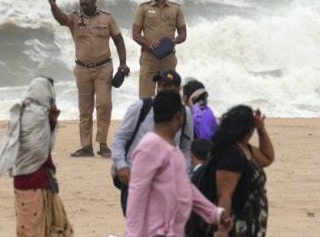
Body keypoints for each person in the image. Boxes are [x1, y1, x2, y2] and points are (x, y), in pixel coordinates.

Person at [124, 91, 231, 237]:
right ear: (178, 116)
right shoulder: (150, 146)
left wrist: (214, 213)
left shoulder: (173, 149)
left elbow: (185, 187)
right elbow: (137, 194)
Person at [48, 0, 130, 158]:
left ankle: (103, 144)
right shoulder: (74, 18)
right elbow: (61, 19)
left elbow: (118, 40)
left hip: (103, 68)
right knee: (85, 109)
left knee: (104, 105)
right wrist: (54, 6)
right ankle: (86, 147)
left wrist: (123, 63)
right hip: (82, 69)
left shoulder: (107, 18)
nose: (83, 1)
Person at [0, 76, 73, 237]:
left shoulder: (28, 113)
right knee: (34, 227)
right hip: (34, 178)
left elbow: (41, 144)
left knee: (30, 225)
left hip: (30, 176)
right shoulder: (37, 115)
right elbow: (37, 148)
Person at [111, 69, 193, 216]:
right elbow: (120, 138)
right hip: (133, 176)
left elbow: (186, 147)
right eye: (159, 84)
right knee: (134, 221)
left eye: (167, 85)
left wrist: (184, 175)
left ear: (178, 89)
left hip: (167, 179)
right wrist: (121, 166)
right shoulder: (142, 107)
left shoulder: (184, 113)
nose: (161, 88)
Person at [203, 105, 275, 237]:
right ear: (247, 129)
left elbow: (268, 157)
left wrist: (261, 129)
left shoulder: (246, 148)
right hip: (235, 226)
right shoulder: (231, 154)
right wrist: (222, 230)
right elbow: (224, 195)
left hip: (249, 224)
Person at [132, 0, 187, 98]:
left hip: (168, 58)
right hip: (148, 58)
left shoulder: (175, 8)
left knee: (169, 97)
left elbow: (183, 34)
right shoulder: (143, 8)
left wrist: (174, 41)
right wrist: (149, 44)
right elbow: (135, 34)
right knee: (146, 99)